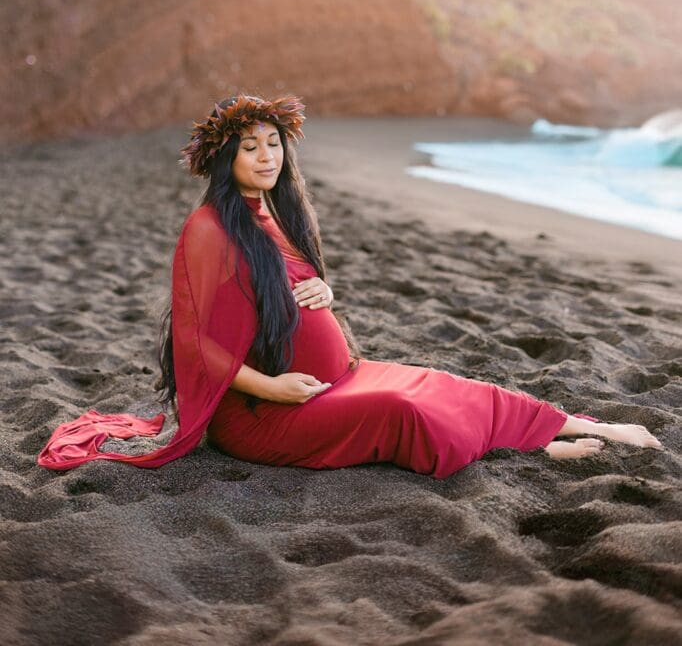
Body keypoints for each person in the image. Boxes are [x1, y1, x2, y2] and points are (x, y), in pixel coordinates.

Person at [38, 93, 663, 475]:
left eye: (274, 143)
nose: (267, 156)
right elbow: (196, 340)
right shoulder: (207, 227)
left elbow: (291, 288)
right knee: (406, 410)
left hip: (333, 379)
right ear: (224, 158)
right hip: (263, 413)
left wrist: (325, 296)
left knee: (453, 386)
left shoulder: (274, 216)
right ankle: (530, 454)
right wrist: (274, 388)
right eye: (250, 146)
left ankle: (589, 428)